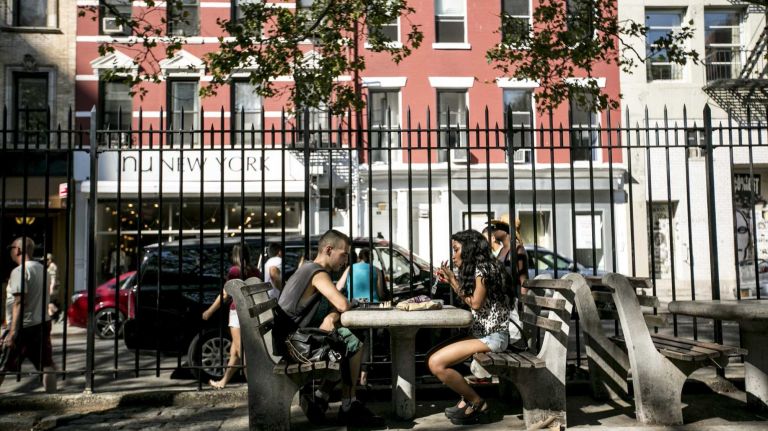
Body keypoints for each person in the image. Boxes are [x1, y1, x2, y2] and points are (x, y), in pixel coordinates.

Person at [274, 229, 383, 426]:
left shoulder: (309, 269)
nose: (346, 260)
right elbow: (342, 304)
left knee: (340, 342)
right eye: (343, 254)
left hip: (292, 340)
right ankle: (349, 405)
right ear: (329, 250)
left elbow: (334, 309)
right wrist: (336, 313)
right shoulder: (317, 272)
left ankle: (322, 397)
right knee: (354, 339)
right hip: (296, 345)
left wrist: (332, 316)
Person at [428, 230, 516, 425]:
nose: (453, 255)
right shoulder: (486, 267)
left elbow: (475, 304)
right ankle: (466, 398)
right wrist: (453, 281)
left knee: (436, 363)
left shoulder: (484, 269)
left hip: (493, 338)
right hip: (485, 335)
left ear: (467, 250)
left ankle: (477, 402)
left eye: (456, 249)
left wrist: (452, 280)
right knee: (433, 354)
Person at [0, 237, 57, 393]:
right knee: (46, 365)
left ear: (18, 250)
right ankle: (52, 398)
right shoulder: (43, 270)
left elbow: (19, 301)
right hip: (42, 323)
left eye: (12, 248)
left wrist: (11, 333)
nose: (11, 252)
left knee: (2, 364)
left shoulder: (19, 271)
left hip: (23, 325)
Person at [202, 244, 259, 389]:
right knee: (234, 352)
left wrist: (210, 311)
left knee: (242, 351)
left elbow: (226, 294)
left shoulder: (234, 271)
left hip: (237, 313)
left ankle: (255, 386)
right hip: (251, 312)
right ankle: (223, 382)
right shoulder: (255, 271)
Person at [45, 254, 61, 322]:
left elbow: (53, 279)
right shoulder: (51, 266)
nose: (45, 261)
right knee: (49, 303)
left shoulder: (52, 267)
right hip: (53, 286)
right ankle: (53, 317)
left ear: (50, 260)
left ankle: (57, 312)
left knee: (48, 302)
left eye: (47, 260)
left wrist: (51, 289)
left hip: (53, 287)